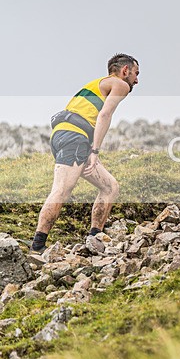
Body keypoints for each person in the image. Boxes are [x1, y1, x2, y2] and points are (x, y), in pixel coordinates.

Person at [30, 54, 140, 253]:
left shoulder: (97, 84)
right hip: (74, 137)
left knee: (110, 187)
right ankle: (37, 247)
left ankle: (94, 238)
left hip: (64, 135)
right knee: (61, 190)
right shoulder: (120, 84)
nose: (136, 80)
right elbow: (105, 114)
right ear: (125, 70)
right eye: (136, 73)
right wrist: (95, 150)